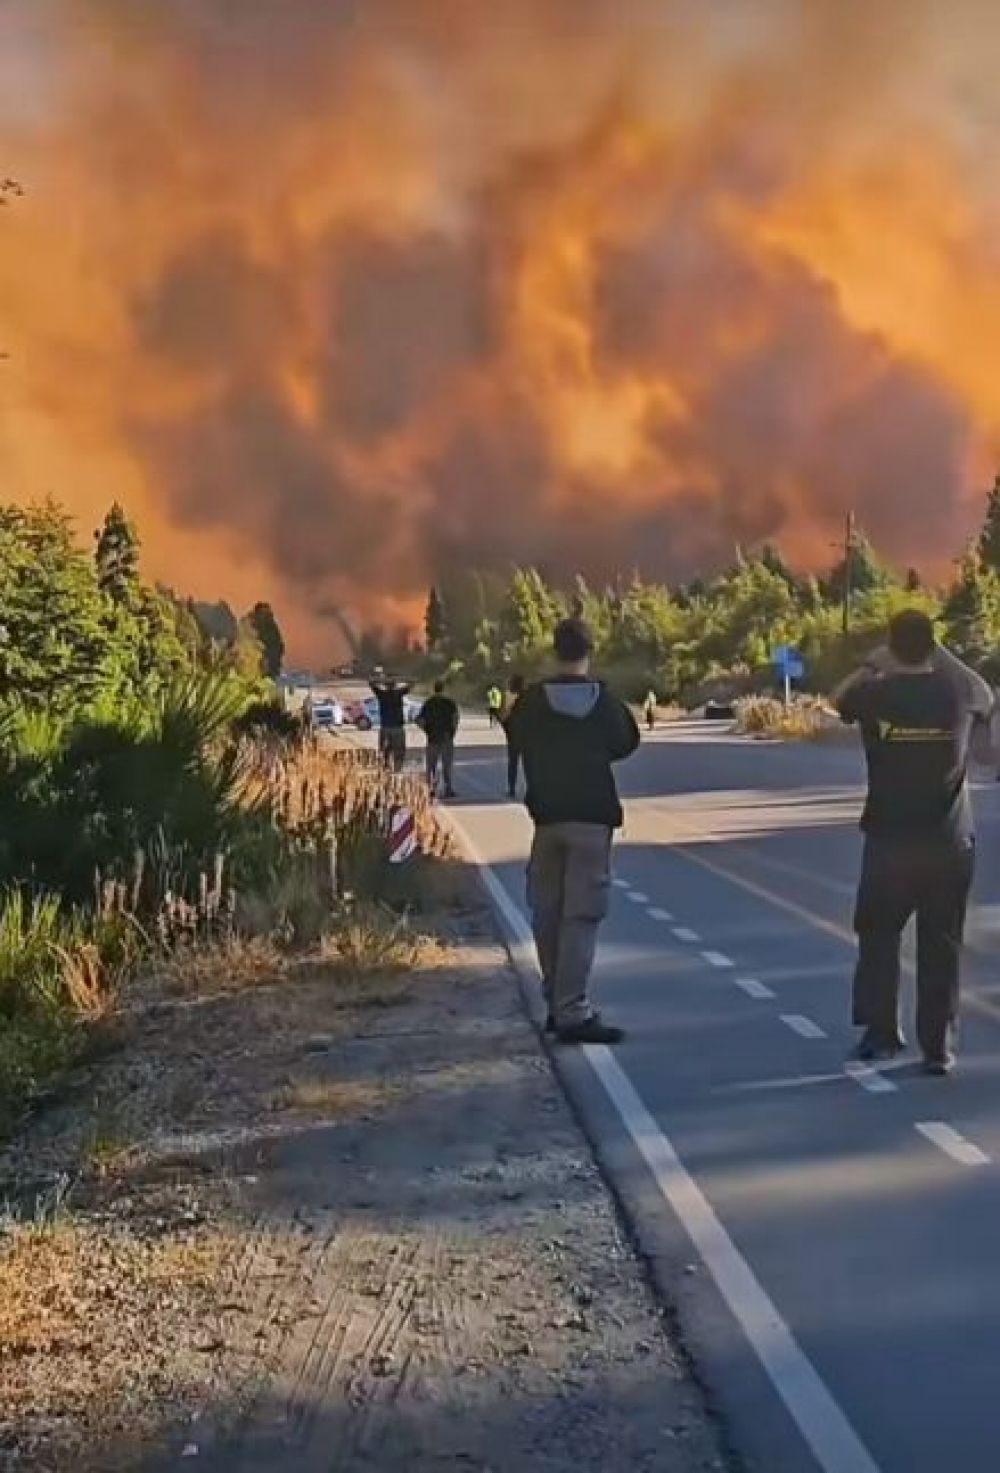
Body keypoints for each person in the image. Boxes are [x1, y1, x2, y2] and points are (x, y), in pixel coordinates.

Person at [835, 610, 996, 1075]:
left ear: (892, 646)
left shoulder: (874, 693)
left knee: (878, 936)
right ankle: (938, 1047)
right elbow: (985, 694)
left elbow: (836, 699)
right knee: (941, 944)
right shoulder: (956, 692)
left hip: (890, 843)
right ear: (932, 646)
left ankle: (880, 1034)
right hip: (949, 843)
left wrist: (874, 662)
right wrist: (940, 653)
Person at [506, 618, 640, 1044]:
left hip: (547, 821)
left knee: (547, 913)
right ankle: (572, 1011)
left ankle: (556, 1003)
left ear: (554, 651)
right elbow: (626, 742)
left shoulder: (531, 702)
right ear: (589, 651)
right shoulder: (604, 703)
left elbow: (515, 734)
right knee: (580, 917)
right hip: (591, 819)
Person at [418, 680, 460, 797]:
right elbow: (455, 718)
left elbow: (420, 720)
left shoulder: (428, 703)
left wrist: (427, 731)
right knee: (447, 765)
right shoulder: (450, 703)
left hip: (432, 738)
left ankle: (431, 789)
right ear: (443, 689)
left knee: (431, 766)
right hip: (446, 737)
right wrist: (452, 732)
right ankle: (448, 788)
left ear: (434, 689)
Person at [370, 674, 410, 773]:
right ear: (395, 685)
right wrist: (403, 679)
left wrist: (380, 680)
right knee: (399, 748)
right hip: (397, 727)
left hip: (386, 727)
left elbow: (371, 683)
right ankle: (397, 768)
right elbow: (412, 684)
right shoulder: (399, 693)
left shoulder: (381, 694)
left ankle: (385, 766)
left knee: (385, 748)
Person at [502, 674, 525, 798]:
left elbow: (505, 716)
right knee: (529, 763)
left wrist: (505, 727)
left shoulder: (509, 696)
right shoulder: (528, 696)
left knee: (513, 762)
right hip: (526, 735)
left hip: (513, 734)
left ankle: (511, 788)